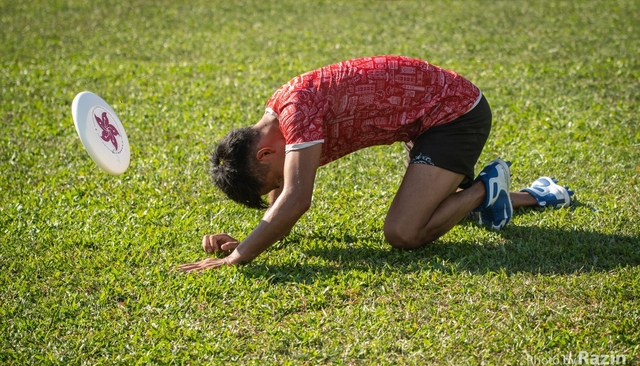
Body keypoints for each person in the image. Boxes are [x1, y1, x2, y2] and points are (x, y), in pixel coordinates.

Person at [178, 55, 572, 272]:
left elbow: (295, 199)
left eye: (269, 181)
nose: (275, 188)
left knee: (404, 232)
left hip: (455, 115)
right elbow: (284, 191)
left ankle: (486, 187)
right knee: (436, 209)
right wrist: (251, 238)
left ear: (264, 154)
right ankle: (538, 194)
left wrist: (238, 255)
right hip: (427, 123)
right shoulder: (278, 123)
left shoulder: (297, 113)